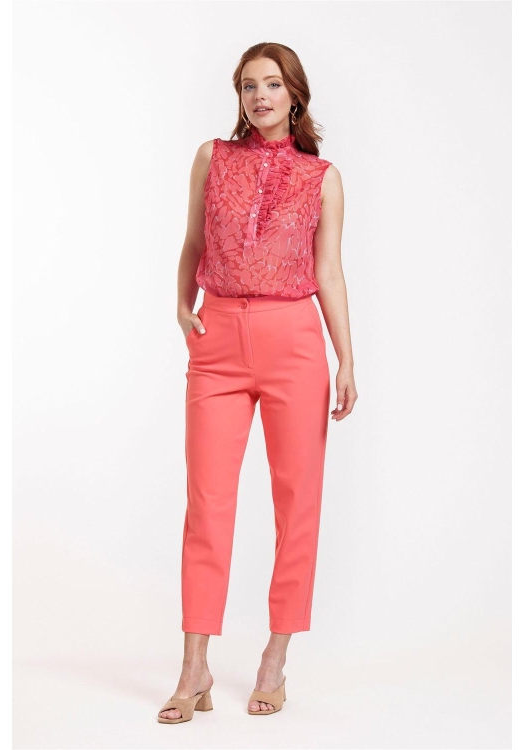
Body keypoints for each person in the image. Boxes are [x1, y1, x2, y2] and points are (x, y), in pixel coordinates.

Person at [158, 43, 357, 724]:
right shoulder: (212, 158)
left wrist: (346, 359)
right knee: (206, 504)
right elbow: (193, 242)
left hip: (293, 342)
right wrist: (181, 304)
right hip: (216, 340)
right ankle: (194, 668)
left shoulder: (322, 177)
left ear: (294, 95)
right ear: (238, 96)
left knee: (297, 503)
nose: (260, 96)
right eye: (249, 86)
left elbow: (328, 272)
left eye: (272, 84)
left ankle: (275, 658)